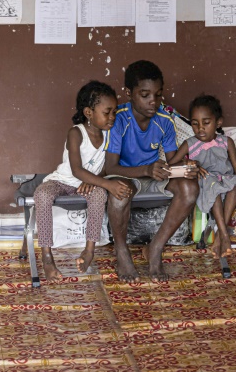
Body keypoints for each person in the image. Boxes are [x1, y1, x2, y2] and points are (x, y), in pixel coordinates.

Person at [104, 60, 199, 282]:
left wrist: (186, 169)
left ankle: (155, 247)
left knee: (190, 188)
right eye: (145, 95)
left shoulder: (165, 121)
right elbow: (110, 167)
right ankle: (121, 251)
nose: (153, 101)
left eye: (158, 95)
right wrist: (146, 169)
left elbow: (171, 160)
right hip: (126, 176)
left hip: (153, 175)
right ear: (129, 93)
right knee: (119, 193)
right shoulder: (119, 119)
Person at [33, 81, 133, 281]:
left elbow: (106, 167)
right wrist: (105, 183)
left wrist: (97, 182)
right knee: (42, 194)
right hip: (63, 181)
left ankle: (89, 251)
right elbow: (77, 170)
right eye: (107, 112)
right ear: (89, 112)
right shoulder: (76, 133)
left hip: (88, 184)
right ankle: (46, 255)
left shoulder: (110, 134)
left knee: (99, 195)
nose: (112, 117)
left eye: (114, 112)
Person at [168, 94, 236, 259]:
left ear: (218, 122)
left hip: (225, 179)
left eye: (206, 123)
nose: (200, 128)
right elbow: (171, 164)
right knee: (212, 184)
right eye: (195, 124)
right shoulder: (190, 143)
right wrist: (188, 162)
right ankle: (224, 235)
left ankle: (219, 234)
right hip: (206, 181)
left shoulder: (226, 142)